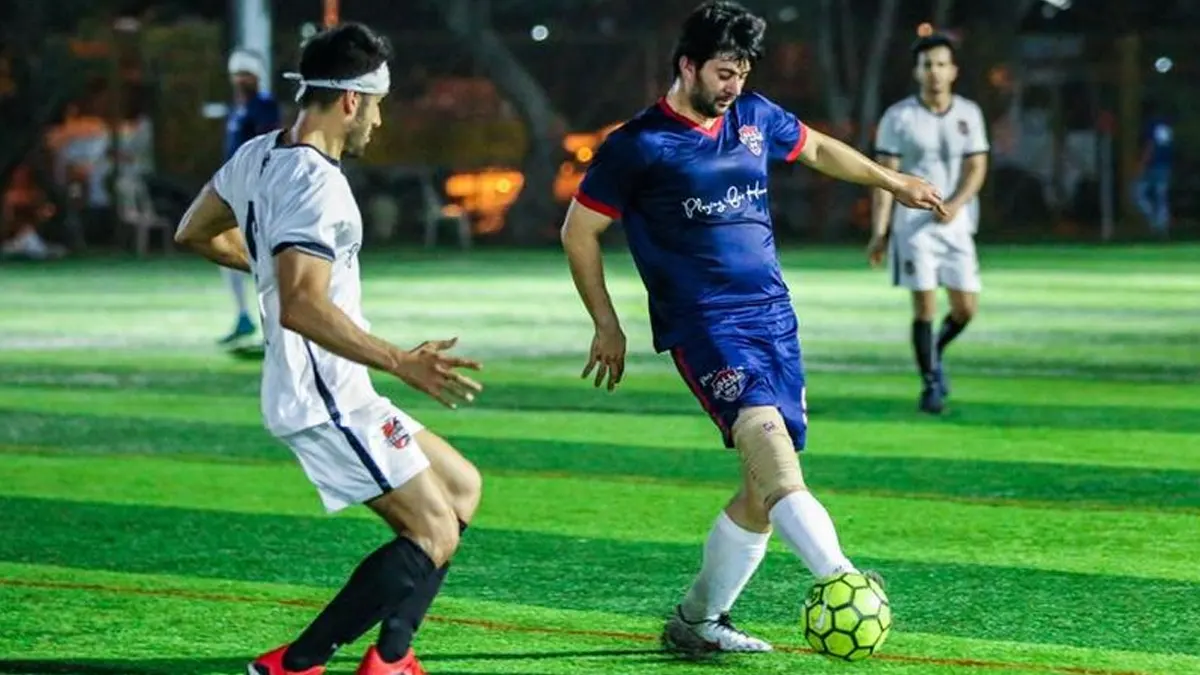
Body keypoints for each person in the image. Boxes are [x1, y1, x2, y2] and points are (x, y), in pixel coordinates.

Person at [560, 1, 945, 656]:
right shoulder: (638, 145)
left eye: (740, 72)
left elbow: (818, 147)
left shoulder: (753, 118)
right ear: (687, 65)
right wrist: (608, 323)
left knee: (760, 493)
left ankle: (697, 620)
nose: (732, 85)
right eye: (722, 72)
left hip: (774, 318)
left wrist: (891, 181)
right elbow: (579, 231)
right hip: (705, 326)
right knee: (776, 464)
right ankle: (842, 577)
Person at [174, 23, 484, 675]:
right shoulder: (319, 184)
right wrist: (404, 360)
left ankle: (392, 658)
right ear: (350, 101)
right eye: (377, 103)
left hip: (334, 387)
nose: (379, 118)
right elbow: (303, 304)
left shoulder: (258, 153)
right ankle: (296, 662)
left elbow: (194, 231)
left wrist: (264, 266)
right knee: (432, 531)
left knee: (461, 489)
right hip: (322, 393)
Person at [867, 33, 989, 415]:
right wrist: (880, 231)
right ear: (917, 72)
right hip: (912, 225)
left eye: (940, 64)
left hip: (957, 223)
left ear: (953, 71)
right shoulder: (899, 117)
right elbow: (884, 178)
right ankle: (930, 384)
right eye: (926, 65)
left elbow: (977, 167)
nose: (934, 72)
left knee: (966, 308)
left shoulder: (969, 113)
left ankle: (934, 351)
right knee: (924, 307)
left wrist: (955, 204)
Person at [220, 47, 281, 347]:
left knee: (262, 259)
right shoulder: (237, 108)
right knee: (228, 254)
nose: (241, 80)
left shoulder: (264, 105)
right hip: (235, 192)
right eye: (238, 74)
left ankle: (270, 323)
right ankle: (244, 316)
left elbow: (265, 144)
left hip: (256, 193)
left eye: (247, 74)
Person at [1134, 105, 1173, 239]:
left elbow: (1149, 146)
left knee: (1138, 194)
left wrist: (1142, 164)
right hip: (1164, 166)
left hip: (1152, 166)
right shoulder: (1167, 126)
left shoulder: (1150, 124)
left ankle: (1154, 222)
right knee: (1161, 198)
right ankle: (1161, 226)